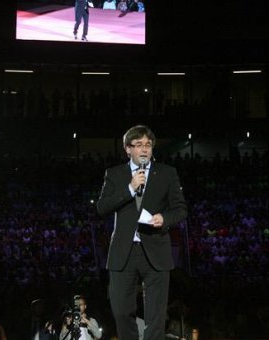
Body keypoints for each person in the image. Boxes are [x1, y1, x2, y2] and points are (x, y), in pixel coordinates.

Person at [97, 125, 187, 340]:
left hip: (156, 248)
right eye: (138, 145)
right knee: (120, 311)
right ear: (128, 149)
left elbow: (180, 209)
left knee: (156, 315)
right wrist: (129, 188)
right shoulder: (115, 174)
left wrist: (165, 218)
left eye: (148, 144)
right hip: (124, 252)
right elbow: (102, 208)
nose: (144, 149)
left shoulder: (166, 173)